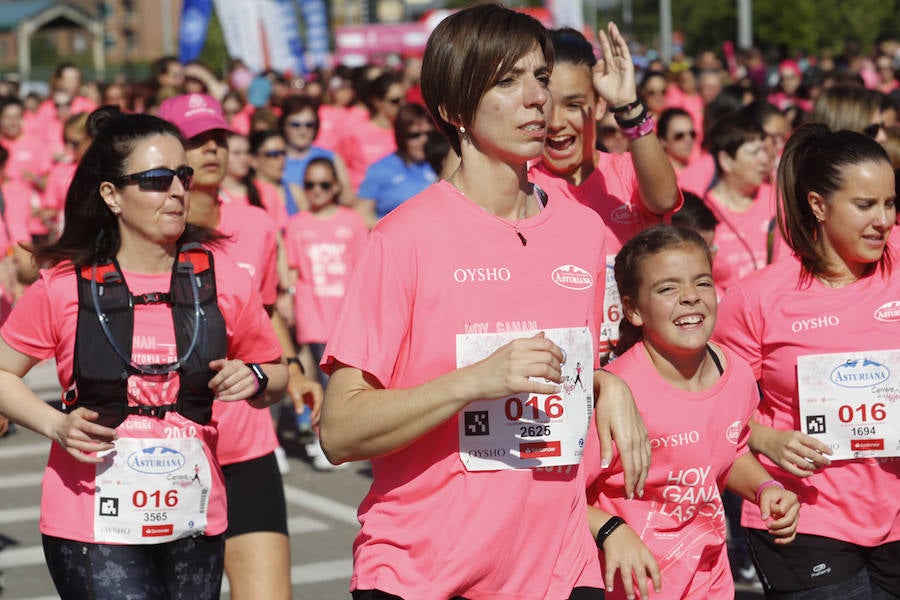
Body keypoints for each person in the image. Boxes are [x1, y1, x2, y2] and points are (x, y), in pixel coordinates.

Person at [319, 5, 650, 598]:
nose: (535, 99)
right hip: (422, 571)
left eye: (541, 77)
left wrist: (608, 385)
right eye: (506, 81)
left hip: (557, 567)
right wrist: (474, 380)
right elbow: (340, 430)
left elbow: (565, 375)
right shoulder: (403, 239)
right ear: (453, 110)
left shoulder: (581, 230)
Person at [0, 107, 287, 599]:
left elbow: (278, 372)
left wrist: (257, 378)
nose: (178, 190)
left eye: (183, 175)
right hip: (92, 524)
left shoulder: (222, 277)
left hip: (194, 515)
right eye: (157, 179)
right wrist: (55, 424)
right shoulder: (64, 285)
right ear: (111, 194)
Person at [714, 123, 900, 599]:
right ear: (818, 205)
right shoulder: (759, 297)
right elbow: (710, 405)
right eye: (865, 205)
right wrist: (765, 437)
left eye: (890, 203)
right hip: (803, 515)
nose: (883, 220)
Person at [158, 93, 322, 600]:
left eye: (219, 139)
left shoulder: (255, 223)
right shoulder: (148, 230)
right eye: (196, 140)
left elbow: (266, 316)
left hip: (247, 444)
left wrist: (293, 370)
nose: (210, 150)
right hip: (169, 449)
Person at [583, 225, 799, 599]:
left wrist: (765, 488)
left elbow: (730, 450)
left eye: (701, 283)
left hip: (710, 581)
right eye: (667, 288)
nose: (690, 298)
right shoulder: (614, 395)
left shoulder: (738, 375)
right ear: (633, 309)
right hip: (626, 589)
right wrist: (611, 530)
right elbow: (558, 498)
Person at [528, 26, 680, 360]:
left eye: (573, 104)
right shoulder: (520, 185)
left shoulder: (627, 171)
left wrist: (628, 105)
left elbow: (665, 199)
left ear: (598, 106)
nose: (555, 122)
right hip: (564, 374)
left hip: (640, 366)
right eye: (545, 105)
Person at [283, 156, 368, 470]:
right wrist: (289, 303)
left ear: (335, 186)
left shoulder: (352, 222)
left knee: (347, 380)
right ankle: (323, 436)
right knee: (322, 379)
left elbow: (363, 269)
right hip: (313, 312)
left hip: (345, 313)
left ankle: (344, 435)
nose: (316, 191)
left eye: (322, 184)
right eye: (309, 185)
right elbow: (291, 271)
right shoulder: (296, 225)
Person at [702, 115, 774, 295]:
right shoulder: (702, 213)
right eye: (754, 152)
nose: (765, 159)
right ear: (726, 160)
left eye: (765, 151)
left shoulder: (778, 199)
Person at [357, 103, 437, 226]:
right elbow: (362, 216)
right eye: (414, 135)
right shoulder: (380, 169)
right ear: (401, 137)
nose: (423, 140)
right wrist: (397, 231)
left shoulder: (439, 163)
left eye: (429, 134)